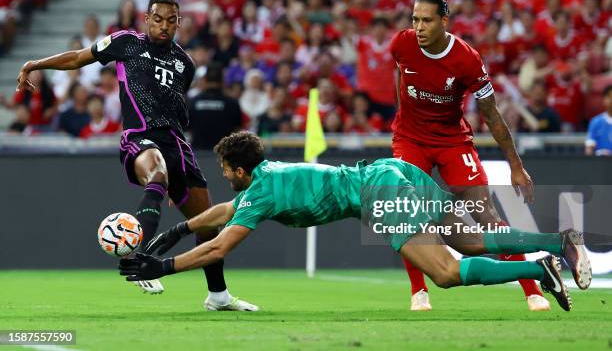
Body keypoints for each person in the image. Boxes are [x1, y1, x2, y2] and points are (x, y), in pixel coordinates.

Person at [120, 131, 592, 313]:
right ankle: (557, 241)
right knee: (470, 243)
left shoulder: (258, 193)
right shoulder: (265, 176)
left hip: (377, 192)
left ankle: (539, 269)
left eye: (226, 171)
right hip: (390, 170)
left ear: (240, 170)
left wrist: (162, 268)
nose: (224, 178)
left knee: (445, 273)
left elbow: (219, 247)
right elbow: (223, 214)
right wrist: (176, 231)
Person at [15, 0, 257, 311]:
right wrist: (36, 64)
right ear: (147, 19)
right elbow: (77, 57)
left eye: (171, 21)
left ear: (179, 23)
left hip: (177, 145)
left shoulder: (186, 63)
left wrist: (177, 175)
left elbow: (175, 108)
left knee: (207, 225)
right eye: (158, 19)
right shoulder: (126, 42)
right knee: (156, 172)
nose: (164, 26)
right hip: (139, 136)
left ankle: (218, 296)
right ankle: (138, 256)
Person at [389, 0, 547, 311]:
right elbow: (401, 78)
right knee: (404, 207)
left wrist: (515, 165)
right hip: (410, 140)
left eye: (427, 21)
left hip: (452, 142)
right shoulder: (401, 45)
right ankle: (418, 291)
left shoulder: (467, 59)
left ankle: (533, 291)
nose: (418, 27)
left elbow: (491, 114)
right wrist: (404, 117)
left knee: (486, 217)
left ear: (444, 22)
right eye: (415, 20)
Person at [188, 64, 242, 150]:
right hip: (223, 155)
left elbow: (188, 129)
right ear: (222, 81)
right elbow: (237, 130)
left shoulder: (192, 102)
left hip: (199, 155)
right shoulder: (232, 103)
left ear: (205, 80)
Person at [585, 85, 612, 156]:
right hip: (600, 164)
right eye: (609, 96)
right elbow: (589, 147)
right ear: (604, 99)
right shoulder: (596, 122)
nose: (611, 100)